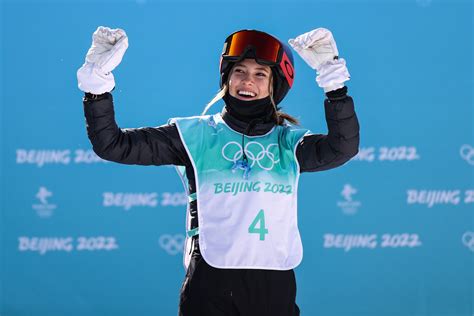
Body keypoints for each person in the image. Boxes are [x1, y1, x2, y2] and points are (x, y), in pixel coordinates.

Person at [77, 26, 359, 316]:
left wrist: (334, 84)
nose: (247, 81)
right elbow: (113, 144)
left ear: (275, 85)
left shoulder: (288, 142)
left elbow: (342, 147)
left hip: (273, 287)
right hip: (209, 285)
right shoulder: (192, 135)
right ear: (227, 78)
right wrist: (96, 87)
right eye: (240, 72)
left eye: (260, 74)